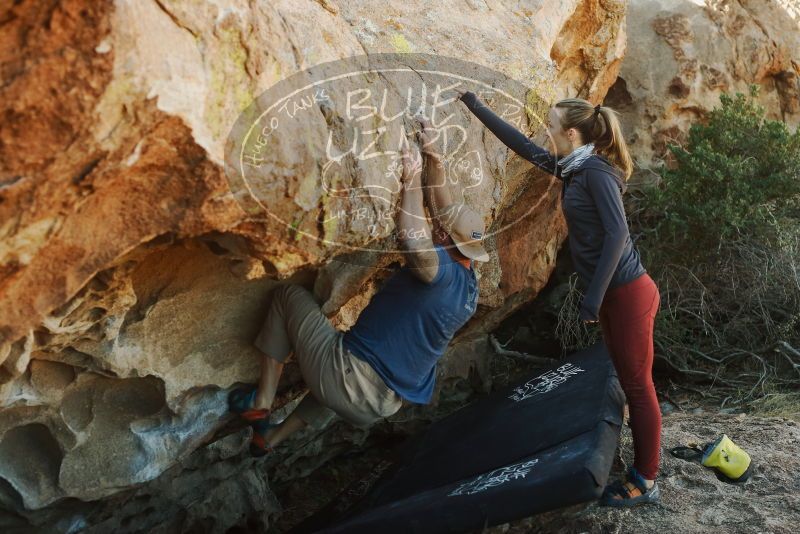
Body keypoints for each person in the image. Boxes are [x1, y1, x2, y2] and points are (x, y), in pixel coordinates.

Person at [228, 122, 489, 457]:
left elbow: (414, 241)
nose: (436, 225)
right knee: (338, 382)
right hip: (379, 405)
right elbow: (444, 211)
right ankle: (272, 439)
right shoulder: (468, 286)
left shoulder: (436, 272)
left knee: (287, 298)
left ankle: (261, 402)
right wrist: (433, 158)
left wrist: (411, 179)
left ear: (446, 239)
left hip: (350, 380)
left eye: (440, 230)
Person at [456, 89, 661, 507]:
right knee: (630, 379)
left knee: (639, 387)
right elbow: (524, 147)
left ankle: (646, 480)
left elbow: (617, 234)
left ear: (571, 133)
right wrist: (474, 104)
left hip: (627, 293)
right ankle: (643, 458)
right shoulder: (572, 168)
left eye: (551, 126)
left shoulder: (596, 172)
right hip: (615, 295)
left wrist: (593, 297)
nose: (545, 132)